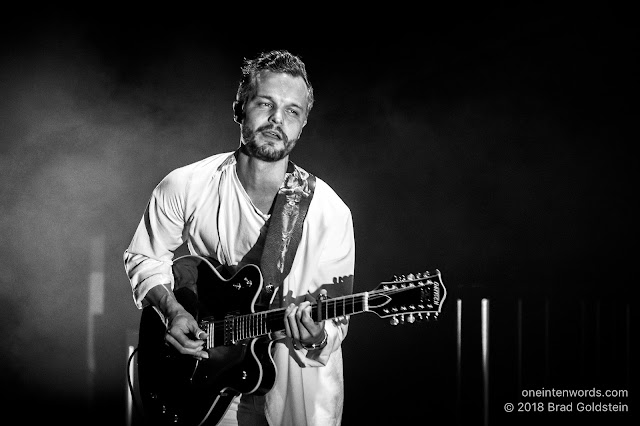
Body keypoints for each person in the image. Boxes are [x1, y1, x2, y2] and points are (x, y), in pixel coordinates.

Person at [123, 50, 355, 426]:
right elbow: (144, 256)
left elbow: (334, 322)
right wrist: (173, 311)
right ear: (240, 107)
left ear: (303, 124)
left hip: (293, 389)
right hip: (204, 382)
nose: (277, 120)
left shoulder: (329, 213)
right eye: (265, 104)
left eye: (292, 111)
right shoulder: (186, 184)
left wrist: (315, 335)